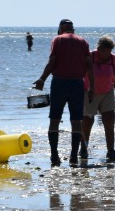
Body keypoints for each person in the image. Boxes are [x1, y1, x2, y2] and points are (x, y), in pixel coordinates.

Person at [33, 19, 92, 166]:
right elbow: (89, 66)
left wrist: (42, 79)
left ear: (60, 29)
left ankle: (54, 156)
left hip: (59, 83)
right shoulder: (83, 42)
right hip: (77, 84)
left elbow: (52, 61)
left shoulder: (57, 40)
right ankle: (73, 157)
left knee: (54, 120)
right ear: (73, 29)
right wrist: (93, 87)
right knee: (76, 122)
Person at [83, 36, 115, 161]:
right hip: (89, 92)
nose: (107, 54)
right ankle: (84, 148)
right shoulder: (90, 56)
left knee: (110, 119)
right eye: (105, 51)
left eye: (109, 51)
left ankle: (111, 150)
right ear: (99, 48)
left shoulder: (113, 59)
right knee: (87, 121)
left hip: (107, 92)